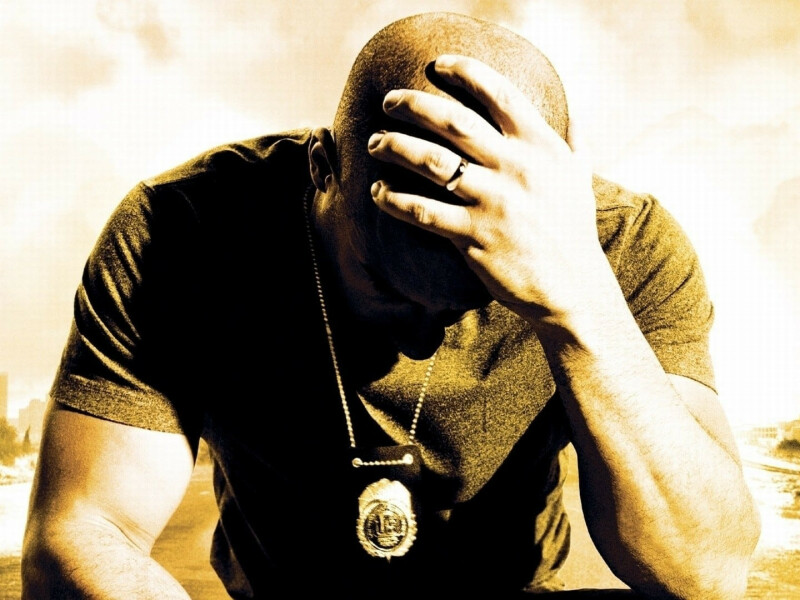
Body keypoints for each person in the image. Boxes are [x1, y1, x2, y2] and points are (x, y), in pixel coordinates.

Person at [22, 11, 759, 600]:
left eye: (473, 297)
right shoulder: (183, 234)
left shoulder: (623, 249)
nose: (421, 337)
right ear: (323, 169)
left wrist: (577, 303)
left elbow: (706, 572)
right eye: (384, 283)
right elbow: (82, 534)